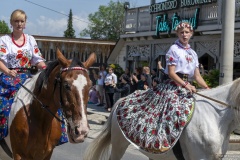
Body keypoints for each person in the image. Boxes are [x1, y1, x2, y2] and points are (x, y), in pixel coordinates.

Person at [115, 22, 210, 153]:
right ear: (177, 34)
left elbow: (197, 76)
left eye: (187, 32)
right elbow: (171, 73)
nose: (184, 34)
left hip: (188, 86)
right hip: (173, 85)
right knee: (173, 109)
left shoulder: (193, 53)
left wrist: (207, 88)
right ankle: (161, 141)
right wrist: (185, 84)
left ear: (191, 34)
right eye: (181, 32)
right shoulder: (173, 49)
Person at [0, 9, 68, 144]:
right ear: (11, 23)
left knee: (50, 99)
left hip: (28, 76)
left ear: (25, 24)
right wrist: (7, 71)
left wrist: (46, 69)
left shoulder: (30, 39)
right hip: (9, 77)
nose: (19, 24)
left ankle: (59, 133)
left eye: (22, 21)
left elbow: (37, 60)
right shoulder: (4, 40)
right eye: (16, 21)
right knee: (2, 104)